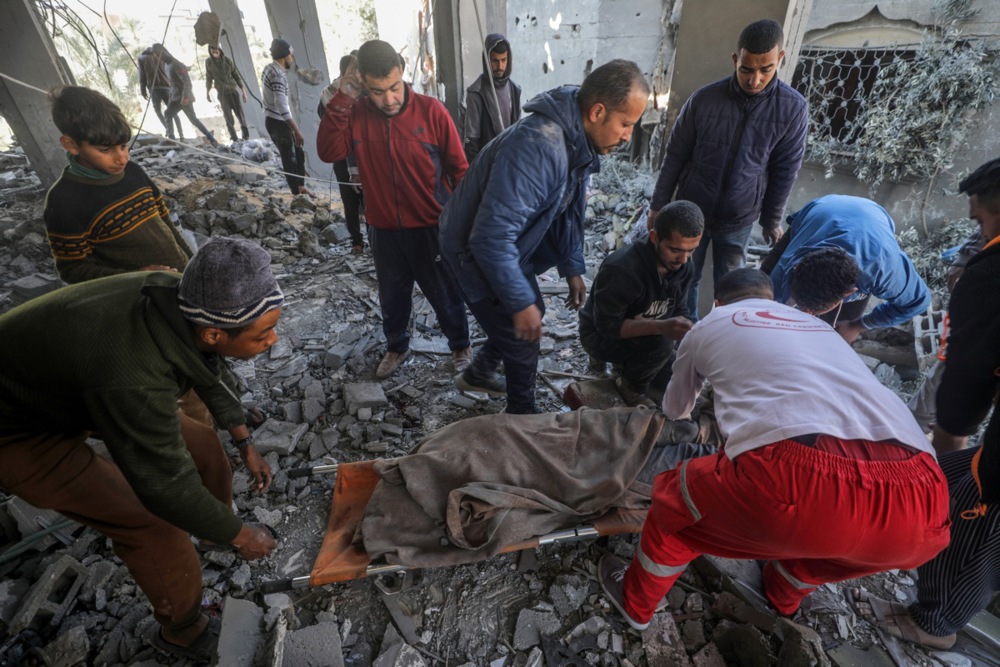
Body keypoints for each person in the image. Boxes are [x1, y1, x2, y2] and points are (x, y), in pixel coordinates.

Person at [597, 266, 950, 631]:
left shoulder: (709, 323)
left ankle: (635, 602)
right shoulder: (818, 326)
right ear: (776, 300)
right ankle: (783, 592)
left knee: (674, 503)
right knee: (833, 551)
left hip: (797, 474)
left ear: (718, 303)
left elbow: (675, 410)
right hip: (924, 499)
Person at [0, 237, 280, 662]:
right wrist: (244, 536)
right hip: (18, 431)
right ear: (213, 331)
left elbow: (207, 368)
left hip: (70, 386)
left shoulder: (181, 297)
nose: (273, 339)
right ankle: (182, 630)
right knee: (152, 524)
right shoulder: (133, 380)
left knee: (206, 446)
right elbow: (166, 488)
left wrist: (244, 442)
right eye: (263, 333)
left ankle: (212, 532)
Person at [439, 59, 650, 415]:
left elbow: (568, 211)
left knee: (526, 316)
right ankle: (522, 414)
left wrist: (572, 267)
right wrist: (519, 303)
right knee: (522, 335)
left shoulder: (576, 138)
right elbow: (490, 238)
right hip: (472, 251)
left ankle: (479, 372)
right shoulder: (541, 147)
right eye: (626, 123)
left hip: (509, 244)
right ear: (598, 112)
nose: (628, 135)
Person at [850, 158, 1000, 650]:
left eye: (980, 221)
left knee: (976, 513)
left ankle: (936, 625)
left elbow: (967, 377)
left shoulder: (991, 274)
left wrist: (951, 439)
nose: (977, 235)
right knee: (956, 480)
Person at [317, 40, 471, 379]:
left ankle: (461, 346)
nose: (389, 99)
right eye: (377, 91)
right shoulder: (356, 113)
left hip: (431, 227)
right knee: (392, 296)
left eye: (394, 87)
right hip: (383, 229)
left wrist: (464, 226)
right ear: (362, 82)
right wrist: (343, 97)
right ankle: (397, 346)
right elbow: (329, 152)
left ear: (402, 72)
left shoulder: (432, 112)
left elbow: (460, 172)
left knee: (445, 294)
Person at [650, 19, 808, 320]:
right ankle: (687, 335)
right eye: (746, 69)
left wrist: (771, 219)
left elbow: (785, 168)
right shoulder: (703, 100)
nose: (755, 80)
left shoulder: (793, 108)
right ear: (735, 59)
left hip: (740, 217)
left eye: (766, 70)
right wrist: (658, 205)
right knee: (685, 278)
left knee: (733, 287)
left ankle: (723, 336)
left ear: (780, 59)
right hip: (692, 210)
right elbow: (675, 156)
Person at [43, 85, 192, 285]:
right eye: (105, 150)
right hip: (146, 294)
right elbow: (72, 270)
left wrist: (193, 262)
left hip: (185, 278)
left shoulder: (133, 172)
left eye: (123, 146)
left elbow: (165, 221)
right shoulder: (64, 202)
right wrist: (136, 277)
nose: (122, 158)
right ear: (71, 144)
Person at [578, 200, 702, 408]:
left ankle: (631, 367)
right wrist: (661, 327)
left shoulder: (684, 266)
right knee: (662, 343)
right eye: (675, 250)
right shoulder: (622, 269)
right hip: (599, 335)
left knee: (676, 380)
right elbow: (607, 327)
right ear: (654, 237)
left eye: (691, 250)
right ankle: (629, 386)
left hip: (646, 334)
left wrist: (689, 329)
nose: (683, 259)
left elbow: (679, 307)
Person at [764, 194, 931, 343]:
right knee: (764, 289)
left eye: (813, 311)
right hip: (821, 211)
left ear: (850, 293)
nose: (806, 313)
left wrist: (859, 325)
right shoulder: (790, 262)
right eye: (802, 306)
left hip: (871, 219)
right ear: (796, 268)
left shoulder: (884, 271)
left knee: (838, 329)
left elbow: (918, 302)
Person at [318, 53, 365, 253]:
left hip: (340, 156)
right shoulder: (357, 91)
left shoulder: (327, 93)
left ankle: (357, 242)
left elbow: (323, 118)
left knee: (348, 200)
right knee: (365, 197)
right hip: (357, 154)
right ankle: (372, 237)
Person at [463, 33, 521, 163]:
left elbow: (518, 131)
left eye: (503, 60)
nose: (500, 67)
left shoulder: (515, 90)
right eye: (495, 61)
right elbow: (471, 140)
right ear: (487, 60)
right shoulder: (476, 93)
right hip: (487, 163)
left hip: (509, 162)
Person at [262, 38, 310, 197]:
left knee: (298, 152)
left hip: (276, 120)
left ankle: (301, 187)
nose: (292, 58)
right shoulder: (277, 75)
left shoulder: (270, 69)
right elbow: (281, 105)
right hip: (277, 122)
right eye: (290, 54)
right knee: (289, 157)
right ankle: (297, 194)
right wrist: (296, 130)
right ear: (284, 55)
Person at [152, 44, 218, 147]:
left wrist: (185, 97)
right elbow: (172, 84)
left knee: (193, 120)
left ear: (162, 53)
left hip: (184, 98)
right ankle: (171, 139)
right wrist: (171, 96)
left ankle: (212, 139)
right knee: (168, 114)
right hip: (175, 98)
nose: (157, 57)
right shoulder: (165, 65)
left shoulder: (176, 64)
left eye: (157, 54)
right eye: (155, 55)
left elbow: (187, 83)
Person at [206, 44, 250, 142]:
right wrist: (207, 92)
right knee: (228, 117)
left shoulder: (228, 61)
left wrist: (243, 91)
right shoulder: (208, 62)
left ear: (219, 50)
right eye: (212, 50)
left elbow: (236, 75)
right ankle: (234, 138)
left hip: (233, 92)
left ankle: (246, 136)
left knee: (240, 115)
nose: (214, 51)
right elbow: (209, 78)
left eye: (216, 49)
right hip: (222, 94)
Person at [138, 46, 182, 139]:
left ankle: (169, 132)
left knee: (158, 110)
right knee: (172, 111)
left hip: (154, 88)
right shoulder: (159, 58)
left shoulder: (141, 59)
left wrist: (143, 90)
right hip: (166, 87)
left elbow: (142, 77)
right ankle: (181, 134)